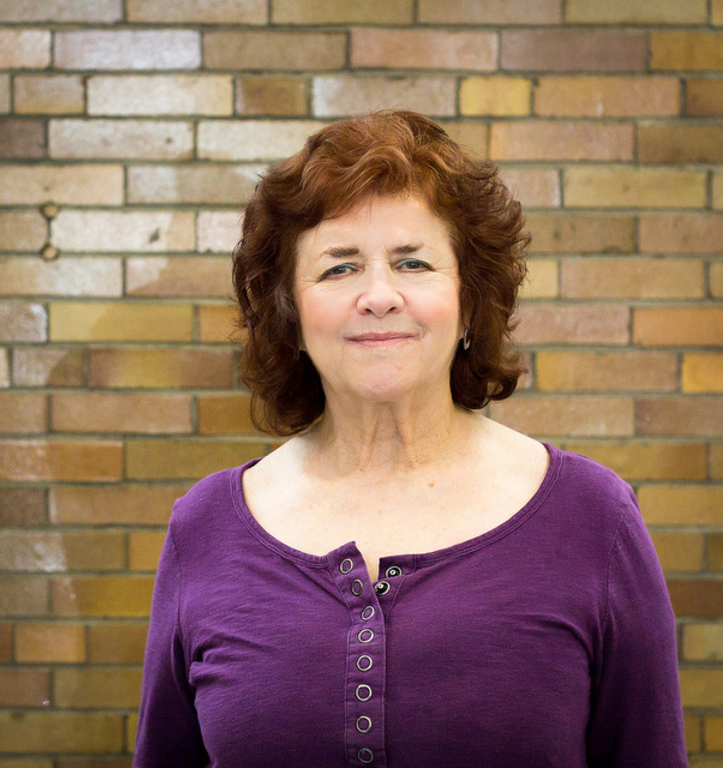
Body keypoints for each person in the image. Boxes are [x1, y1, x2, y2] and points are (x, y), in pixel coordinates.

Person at [133, 110, 687, 768]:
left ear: (468, 301)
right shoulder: (205, 527)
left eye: (413, 262)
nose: (378, 295)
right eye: (339, 268)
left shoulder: (593, 519)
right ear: (290, 311)